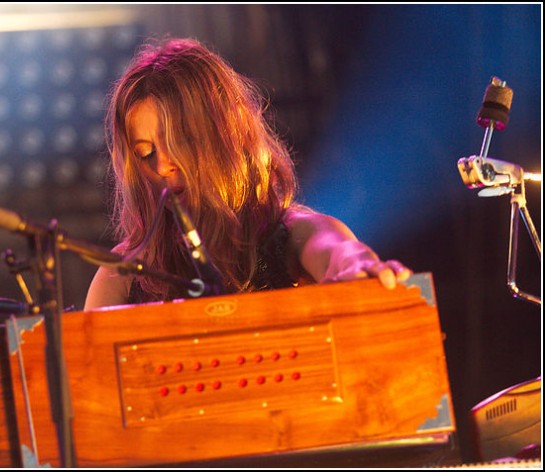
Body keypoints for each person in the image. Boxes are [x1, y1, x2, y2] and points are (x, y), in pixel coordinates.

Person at [84, 37, 411, 310]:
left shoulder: (290, 234)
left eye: (181, 141)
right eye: (146, 153)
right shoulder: (123, 274)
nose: (163, 165)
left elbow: (335, 249)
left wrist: (357, 263)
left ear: (223, 135)